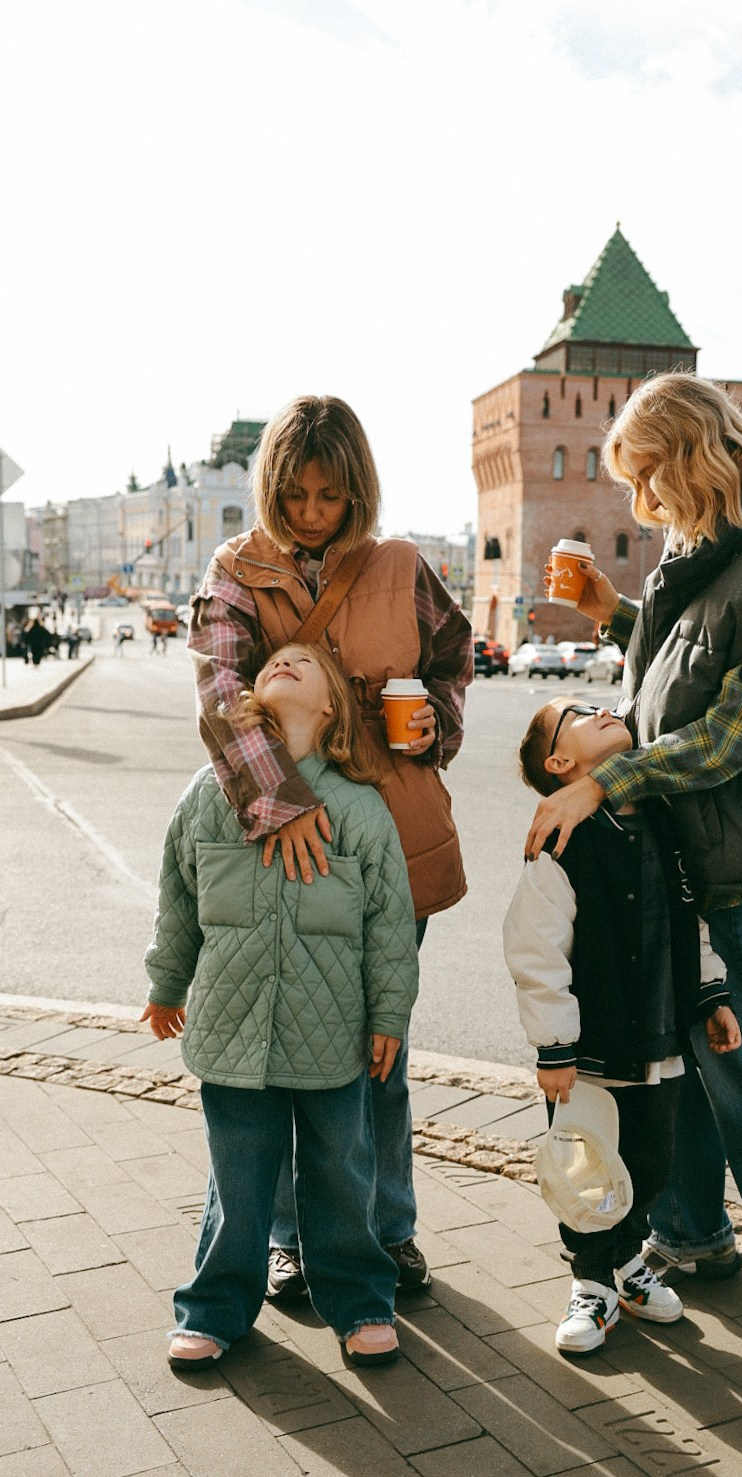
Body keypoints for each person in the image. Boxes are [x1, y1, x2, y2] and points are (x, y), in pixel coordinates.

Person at [524, 372, 742, 1325]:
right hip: (693, 840)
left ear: (693, 457)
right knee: (687, 1043)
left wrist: (605, 779)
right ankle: (689, 1231)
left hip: (735, 839)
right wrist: (611, 609)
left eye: (649, 476)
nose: (643, 502)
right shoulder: (721, 544)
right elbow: (687, 664)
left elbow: (729, 735)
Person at [189, 394, 471, 1302]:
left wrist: (436, 722)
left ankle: (386, 1232)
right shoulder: (235, 568)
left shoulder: (401, 565)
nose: (312, 513)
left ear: (359, 490)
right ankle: (285, 1239)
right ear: (272, 487)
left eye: (331, 496)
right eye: (297, 494)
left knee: (375, 1051)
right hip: (283, 851)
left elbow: (452, 659)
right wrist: (283, 802)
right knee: (274, 1055)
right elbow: (221, 694)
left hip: (391, 839)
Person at [142, 642, 419, 1370]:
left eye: (306, 660)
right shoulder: (209, 792)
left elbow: (389, 924)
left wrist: (390, 1014)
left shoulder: (358, 805)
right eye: (272, 660)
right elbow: (179, 899)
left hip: (332, 1036)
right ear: (253, 694)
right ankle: (215, 1305)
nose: (284, 661)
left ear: (332, 706)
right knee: (237, 1182)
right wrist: (166, 983)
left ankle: (359, 1300)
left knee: (341, 1173)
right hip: (231, 1029)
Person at [505, 698, 741, 1354]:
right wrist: (554, 1045)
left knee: (648, 1161)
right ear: (560, 762)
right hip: (590, 1053)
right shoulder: (562, 837)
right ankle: (590, 1279)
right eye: (579, 711)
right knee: (585, 1169)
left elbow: (690, 918)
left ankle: (629, 1261)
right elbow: (535, 951)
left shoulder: (663, 818)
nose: (604, 705)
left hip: (658, 1045)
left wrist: (710, 996)